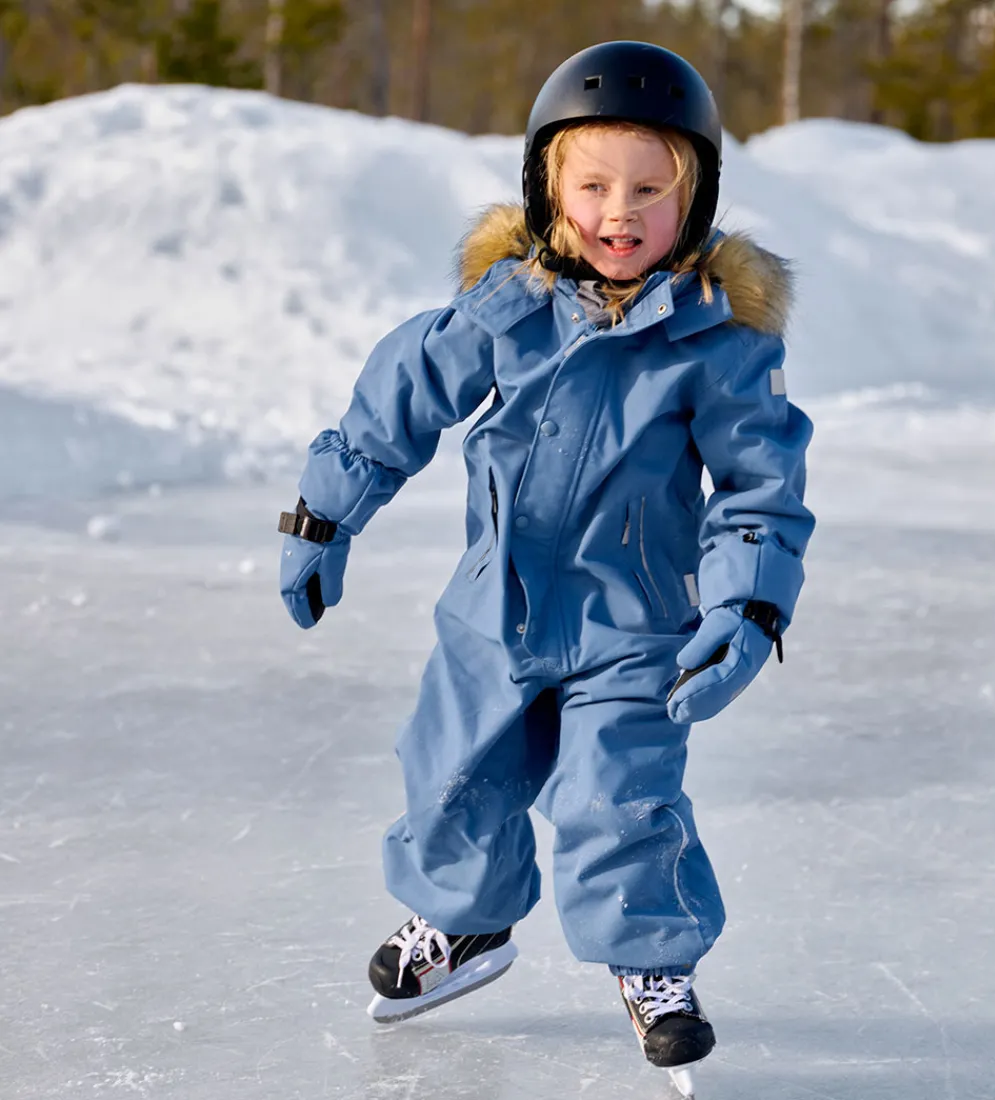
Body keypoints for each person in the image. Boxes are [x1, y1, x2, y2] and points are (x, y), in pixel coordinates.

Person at [278, 40, 815, 1082]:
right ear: (545, 188)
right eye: (594, 185)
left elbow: (759, 489)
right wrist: (323, 513)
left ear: (694, 202)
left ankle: (653, 963)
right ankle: (464, 922)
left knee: (617, 799)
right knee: (448, 780)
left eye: (651, 189)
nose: (621, 211)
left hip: (634, 626)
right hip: (493, 616)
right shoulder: (506, 309)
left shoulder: (716, 345)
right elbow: (397, 402)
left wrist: (743, 609)